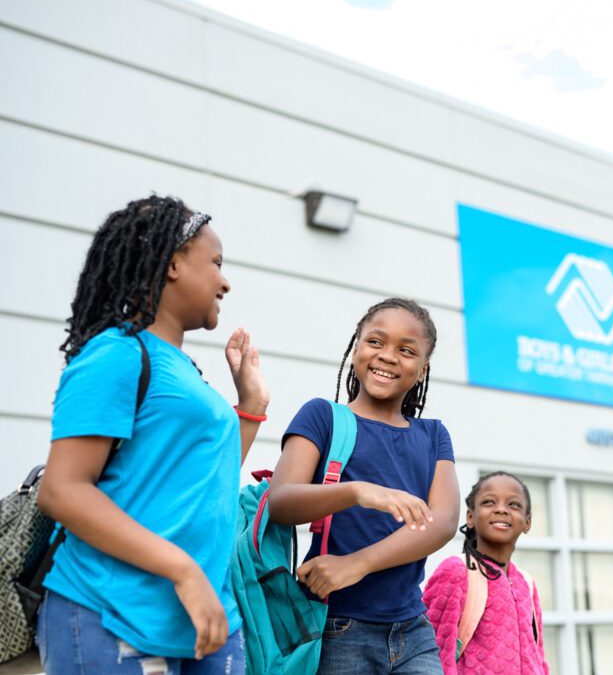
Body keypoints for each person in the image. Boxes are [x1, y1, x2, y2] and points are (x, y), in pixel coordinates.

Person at [36, 195, 269, 674]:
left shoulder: (185, 372)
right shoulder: (116, 354)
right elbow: (62, 491)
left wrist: (251, 407)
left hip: (207, 619)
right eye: (217, 263)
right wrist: (183, 569)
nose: (226, 281)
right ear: (173, 263)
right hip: (112, 614)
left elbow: (208, 480)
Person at [268, 297, 460, 674]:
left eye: (406, 350)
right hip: (338, 628)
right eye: (375, 342)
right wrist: (357, 492)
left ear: (422, 370)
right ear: (356, 348)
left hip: (414, 630)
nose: (388, 356)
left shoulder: (434, 434)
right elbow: (282, 500)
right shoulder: (322, 416)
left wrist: (358, 563)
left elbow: (442, 521)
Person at [423, 471, 549, 674]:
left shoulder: (527, 583)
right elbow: (432, 655)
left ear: (527, 522)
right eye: (489, 502)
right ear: (471, 517)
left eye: (514, 505)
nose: (501, 509)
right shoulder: (456, 572)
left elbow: (538, 655)